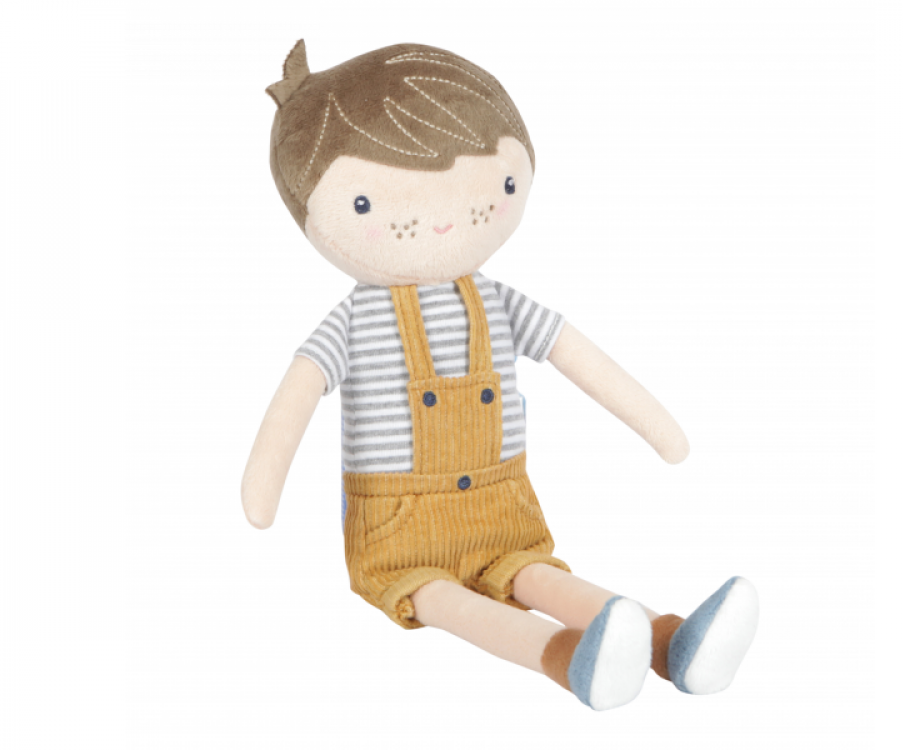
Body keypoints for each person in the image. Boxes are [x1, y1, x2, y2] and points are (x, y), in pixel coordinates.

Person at [243, 41, 758, 711]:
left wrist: (660, 430)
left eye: (499, 187)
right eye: (368, 203)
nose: (444, 220)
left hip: (503, 510)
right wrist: (263, 490)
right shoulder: (353, 322)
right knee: (442, 598)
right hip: (398, 529)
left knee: (536, 574)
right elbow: (298, 394)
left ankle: (672, 641)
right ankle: (568, 660)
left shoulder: (500, 302)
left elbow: (581, 359)